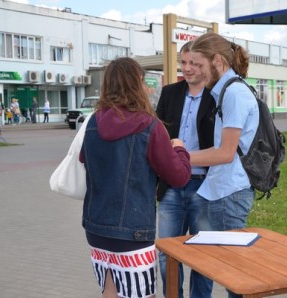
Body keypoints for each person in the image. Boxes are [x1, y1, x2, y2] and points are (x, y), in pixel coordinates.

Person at [79, 57, 191, 298]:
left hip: (96, 226)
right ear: (137, 83)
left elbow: (84, 160)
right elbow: (179, 176)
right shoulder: (150, 126)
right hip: (133, 231)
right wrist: (179, 149)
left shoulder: (91, 123)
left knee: (109, 292)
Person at [189, 32, 259, 298]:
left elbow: (226, 153)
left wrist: (183, 156)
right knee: (225, 270)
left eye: (199, 65)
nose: (194, 72)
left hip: (230, 193)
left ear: (217, 61)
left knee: (236, 277)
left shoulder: (234, 94)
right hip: (220, 190)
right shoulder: (227, 91)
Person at [155, 41, 215, 298]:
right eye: (183, 62)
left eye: (193, 63)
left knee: (204, 255)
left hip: (205, 186)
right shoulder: (169, 93)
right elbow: (157, 135)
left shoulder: (217, 95)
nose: (187, 68)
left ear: (206, 64)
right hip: (172, 186)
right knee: (166, 254)